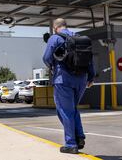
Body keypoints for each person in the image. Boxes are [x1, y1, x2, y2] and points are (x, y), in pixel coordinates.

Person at [43, 18, 95, 154]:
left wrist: (53, 67)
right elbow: (89, 59)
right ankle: (79, 137)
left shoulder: (55, 38)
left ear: (55, 28)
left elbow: (46, 57)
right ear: (66, 25)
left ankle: (71, 143)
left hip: (63, 80)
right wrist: (91, 76)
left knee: (64, 111)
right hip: (81, 80)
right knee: (72, 109)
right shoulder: (78, 37)